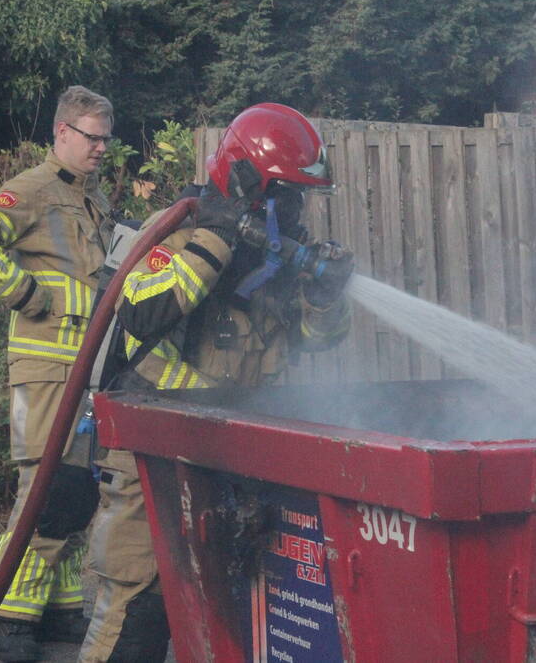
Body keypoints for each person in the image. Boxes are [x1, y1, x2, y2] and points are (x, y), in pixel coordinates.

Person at [79, 103, 354, 662]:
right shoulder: (174, 237)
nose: (295, 210)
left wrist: (325, 301)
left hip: (243, 463)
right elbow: (141, 316)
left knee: (236, 624)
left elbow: (314, 341)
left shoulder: (273, 263)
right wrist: (219, 232)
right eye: (283, 193)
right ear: (245, 183)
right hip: (157, 464)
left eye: (301, 196)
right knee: (139, 614)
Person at [0, 86, 117, 662]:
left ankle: (59, 609)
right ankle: (13, 619)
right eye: (91, 136)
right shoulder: (33, 189)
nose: (101, 147)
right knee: (45, 494)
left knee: (80, 491)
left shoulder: (89, 198)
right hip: (47, 365)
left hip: (86, 371)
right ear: (63, 133)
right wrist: (26, 294)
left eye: (106, 137)